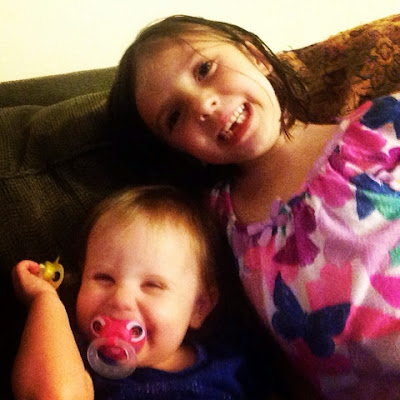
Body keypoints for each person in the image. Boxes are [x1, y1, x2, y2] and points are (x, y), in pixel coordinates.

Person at [107, 14, 400, 400]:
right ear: (182, 152)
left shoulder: (383, 126)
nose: (204, 104)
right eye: (174, 116)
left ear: (256, 55)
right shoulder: (216, 229)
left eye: (205, 69)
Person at [11, 185, 278, 400]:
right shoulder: (72, 356)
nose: (120, 299)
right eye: (104, 278)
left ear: (199, 307)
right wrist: (45, 300)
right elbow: (51, 394)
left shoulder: (230, 356)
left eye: (152, 285)